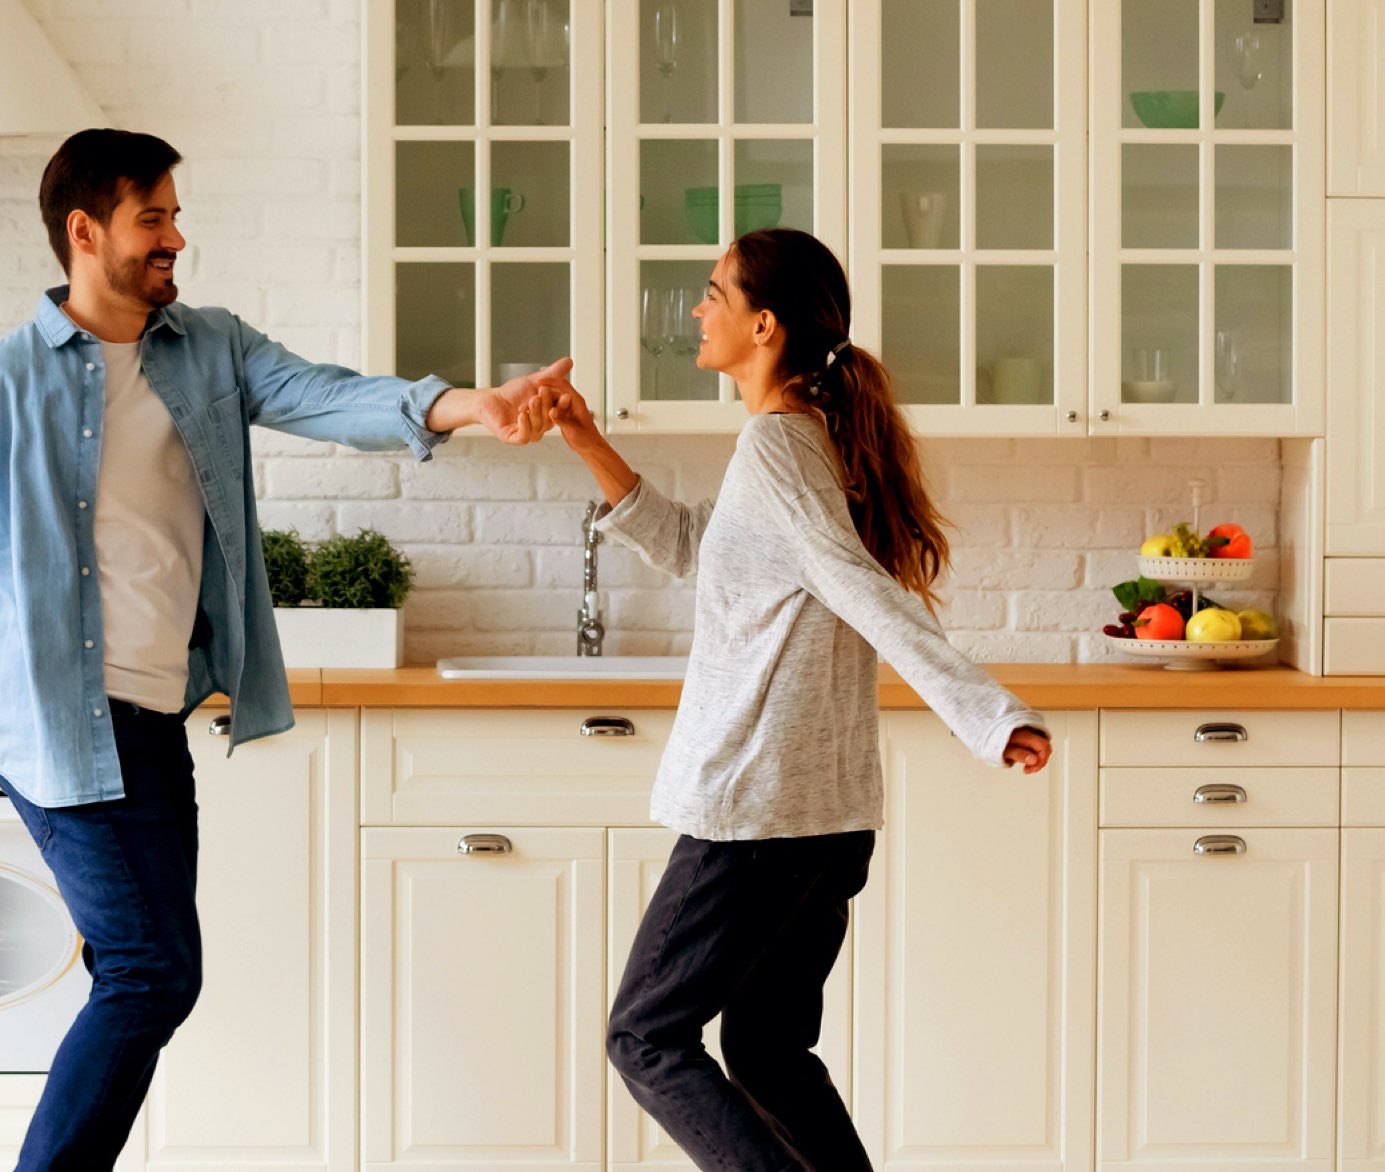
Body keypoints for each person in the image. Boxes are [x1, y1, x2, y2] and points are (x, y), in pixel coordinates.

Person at [0, 127, 556, 1172]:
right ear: (85, 231)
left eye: (176, 215)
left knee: (146, 973)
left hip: (153, 718)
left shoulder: (207, 347)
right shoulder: (11, 379)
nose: (176, 238)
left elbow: (329, 394)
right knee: (152, 972)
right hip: (55, 720)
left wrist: (470, 407)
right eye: (152, 218)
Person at [543, 227, 1053, 1171]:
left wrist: (987, 713)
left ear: (763, 325)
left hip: (759, 813)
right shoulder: (803, 442)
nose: (698, 309)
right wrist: (586, 440)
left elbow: (862, 591)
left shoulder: (780, 448)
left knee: (645, 1037)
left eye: (714, 292)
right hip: (822, 819)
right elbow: (697, 545)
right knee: (768, 1052)